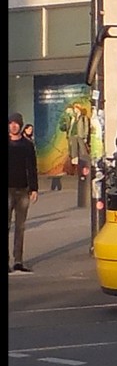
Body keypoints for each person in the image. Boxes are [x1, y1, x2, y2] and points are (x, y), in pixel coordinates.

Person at [9, 112, 39, 273]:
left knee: (20, 227)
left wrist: (34, 188)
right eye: (11, 123)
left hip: (23, 190)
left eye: (16, 123)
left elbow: (32, 167)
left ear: (20, 125)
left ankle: (18, 261)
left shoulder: (27, 145)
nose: (14, 126)